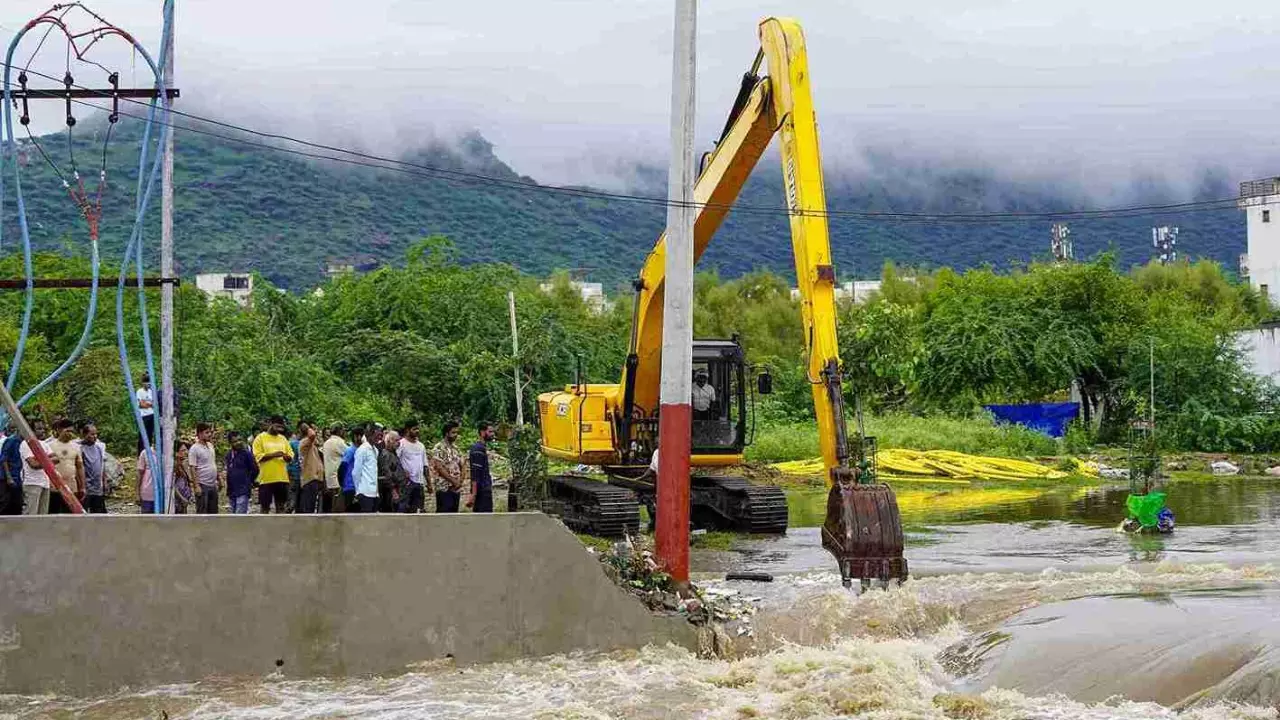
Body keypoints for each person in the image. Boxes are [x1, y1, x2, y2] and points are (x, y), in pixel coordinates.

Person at [252, 415, 293, 513]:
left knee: (281, 506)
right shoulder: (260, 438)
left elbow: (290, 454)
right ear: (271, 424)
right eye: (277, 426)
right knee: (265, 507)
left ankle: (279, 527)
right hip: (266, 479)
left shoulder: (283, 439)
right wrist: (274, 455)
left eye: (281, 427)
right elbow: (258, 457)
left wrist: (287, 457)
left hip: (282, 478)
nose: (279, 429)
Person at [46, 419, 84, 514]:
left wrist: (82, 487)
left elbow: (79, 467)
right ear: (59, 430)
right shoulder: (49, 446)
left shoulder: (76, 446)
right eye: (67, 431)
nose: (70, 434)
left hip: (71, 487)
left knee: (71, 515)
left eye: (72, 431)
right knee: (54, 514)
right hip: (54, 488)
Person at [430, 421, 465, 513]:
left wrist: (460, 481)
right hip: (444, 488)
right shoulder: (439, 448)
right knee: (443, 516)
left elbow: (463, 465)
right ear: (446, 433)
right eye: (453, 432)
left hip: (456, 488)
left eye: (457, 432)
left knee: (454, 516)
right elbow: (439, 468)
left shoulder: (456, 448)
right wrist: (453, 481)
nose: (456, 435)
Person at [20, 419, 52, 515]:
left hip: (45, 483)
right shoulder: (26, 444)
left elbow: (56, 459)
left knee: (43, 515)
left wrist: (40, 460)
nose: (42, 431)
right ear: (31, 431)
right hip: (32, 483)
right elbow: (33, 465)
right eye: (39, 429)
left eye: (43, 428)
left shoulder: (45, 444)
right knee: (31, 514)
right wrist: (47, 460)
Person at [396, 420, 428, 513]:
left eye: (418, 428)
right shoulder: (401, 443)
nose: (417, 431)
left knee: (418, 511)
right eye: (414, 429)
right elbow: (395, 461)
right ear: (407, 430)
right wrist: (402, 472)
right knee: (403, 509)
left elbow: (425, 465)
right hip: (406, 483)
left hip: (419, 483)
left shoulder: (421, 446)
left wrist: (428, 483)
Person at [224, 430, 258, 514]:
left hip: (243, 489)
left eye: (240, 440)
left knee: (240, 515)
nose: (238, 443)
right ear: (230, 443)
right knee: (233, 514)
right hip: (232, 490)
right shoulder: (229, 455)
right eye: (235, 441)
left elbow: (255, 469)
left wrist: (249, 481)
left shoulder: (247, 454)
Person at [190, 422, 220, 514]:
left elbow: (212, 463)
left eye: (210, 432)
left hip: (212, 484)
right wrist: (197, 486)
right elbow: (192, 468)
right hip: (202, 484)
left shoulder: (210, 446)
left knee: (213, 511)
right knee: (202, 511)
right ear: (199, 434)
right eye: (206, 432)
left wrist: (219, 478)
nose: (209, 434)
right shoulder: (194, 449)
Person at [467, 422, 496, 513]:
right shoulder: (478, 449)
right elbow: (475, 473)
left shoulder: (482, 448)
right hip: (482, 491)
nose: (492, 434)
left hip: (484, 489)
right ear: (482, 432)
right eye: (490, 431)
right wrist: (474, 495)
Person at [79, 423, 108, 514]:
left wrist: (105, 480)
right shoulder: (80, 448)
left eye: (96, 434)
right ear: (84, 434)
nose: (95, 436)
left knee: (99, 512)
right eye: (92, 434)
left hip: (97, 487)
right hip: (86, 487)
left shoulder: (98, 448)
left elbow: (101, 465)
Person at [352, 423, 381, 512]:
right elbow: (356, 472)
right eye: (376, 435)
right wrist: (358, 491)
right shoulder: (362, 450)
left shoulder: (375, 450)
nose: (378, 438)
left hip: (374, 492)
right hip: (364, 491)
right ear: (369, 435)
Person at [298, 422, 324, 513]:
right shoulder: (304, 442)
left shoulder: (313, 445)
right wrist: (307, 427)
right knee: (308, 509)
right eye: (313, 429)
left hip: (315, 480)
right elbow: (312, 435)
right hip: (309, 480)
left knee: (313, 507)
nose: (315, 431)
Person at [321, 424, 348, 513]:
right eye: (343, 430)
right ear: (339, 431)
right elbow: (350, 454)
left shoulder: (327, 442)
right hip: (338, 480)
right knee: (338, 507)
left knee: (329, 507)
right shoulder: (338, 442)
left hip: (329, 479)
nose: (345, 432)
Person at [378, 429, 406, 513]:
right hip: (390, 492)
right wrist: (393, 490)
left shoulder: (393, 453)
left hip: (399, 489)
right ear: (389, 441)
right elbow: (387, 473)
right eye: (396, 440)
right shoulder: (385, 454)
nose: (399, 443)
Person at [0, 424, 24, 515]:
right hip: (8, 478)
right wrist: (9, 477)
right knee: (5, 503)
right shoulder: (12, 441)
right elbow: (4, 459)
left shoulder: (24, 442)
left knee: (17, 505)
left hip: (18, 477)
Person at [338, 426, 361, 512]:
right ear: (356, 437)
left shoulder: (361, 450)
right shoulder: (350, 450)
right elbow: (342, 467)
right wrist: (342, 483)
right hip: (350, 487)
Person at [287, 420, 305, 513]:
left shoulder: (298, 443)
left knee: (297, 502)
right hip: (294, 474)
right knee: (292, 502)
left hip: (300, 475)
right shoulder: (294, 443)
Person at [173, 441, 194, 514]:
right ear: (176, 453)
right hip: (177, 501)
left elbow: (190, 479)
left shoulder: (182, 464)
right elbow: (172, 486)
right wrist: (182, 498)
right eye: (183, 450)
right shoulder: (175, 465)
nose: (186, 452)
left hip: (184, 500)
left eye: (186, 450)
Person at [136, 374, 155, 450]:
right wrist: (149, 404)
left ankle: (149, 451)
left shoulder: (151, 391)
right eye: (146, 382)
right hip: (143, 416)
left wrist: (147, 403)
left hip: (151, 415)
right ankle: (141, 452)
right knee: (142, 434)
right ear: (143, 383)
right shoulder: (139, 391)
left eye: (148, 382)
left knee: (150, 434)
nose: (148, 384)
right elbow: (140, 404)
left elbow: (154, 404)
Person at [137, 447, 156, 514]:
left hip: (164, 494)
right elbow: (140, 473)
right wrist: (137, 493)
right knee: (146, 519)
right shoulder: (145, 452)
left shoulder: (167, 452)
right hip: (147, 492)